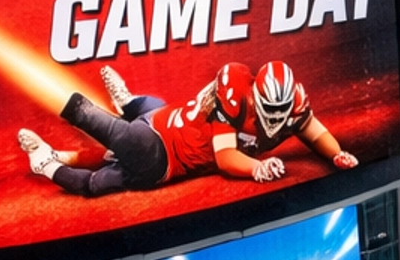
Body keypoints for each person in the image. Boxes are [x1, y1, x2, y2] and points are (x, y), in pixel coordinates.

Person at [19, 59, 359, 200]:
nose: (276, 117)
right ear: (254, 92)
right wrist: (257, 167)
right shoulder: (235, 94)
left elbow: (313, 131)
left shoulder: (294, 106)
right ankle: (84, 107)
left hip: (170, 142)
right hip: (169, 138)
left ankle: (47, 162)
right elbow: (225, 157)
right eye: (267, 107)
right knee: (136, 128)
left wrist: (336, 153)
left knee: (106, 170)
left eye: (282, 111)